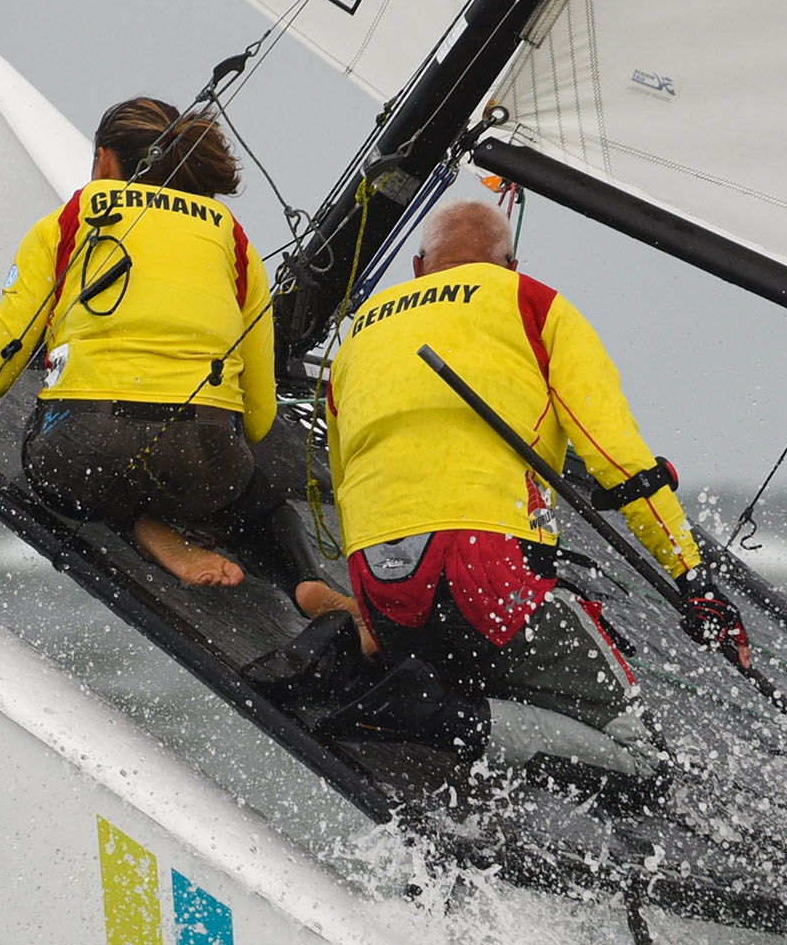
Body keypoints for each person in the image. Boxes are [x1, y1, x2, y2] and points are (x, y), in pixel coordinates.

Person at [313, 197, 748, 745]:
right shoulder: (534, 303)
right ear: (510, 266)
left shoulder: (359, 332)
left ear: (419, 267)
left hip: (380, 586)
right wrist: (693, 581)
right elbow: (619, 462)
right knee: (638, 754)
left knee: (460, 662)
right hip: (485, 572)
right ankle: (437, 715)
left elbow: (341, 474)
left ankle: (359, 658)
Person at [0, 98, 280, 587]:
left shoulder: (66, 223)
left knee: (68, 468)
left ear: (104, 160)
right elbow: (260, 417)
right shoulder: (236, 242)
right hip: (204, 463)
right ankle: (308, 585)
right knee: (254, 495)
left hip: (84, 454)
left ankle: (139, 525)